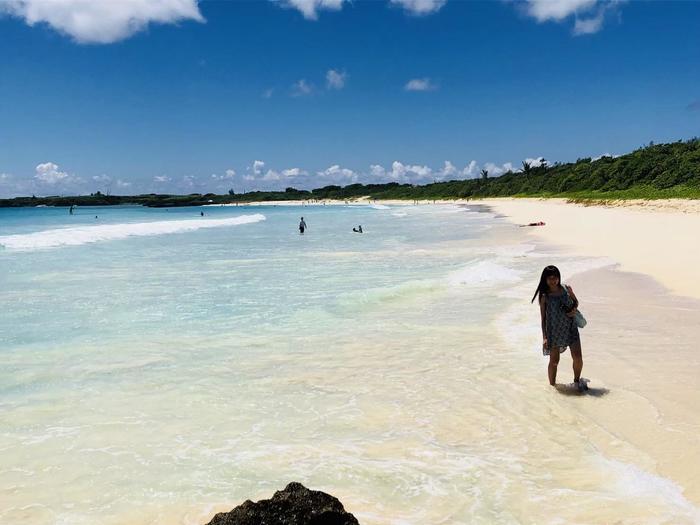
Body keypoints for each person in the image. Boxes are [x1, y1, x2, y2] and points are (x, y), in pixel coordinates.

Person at [531, 265, 587, 391]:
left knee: (578, 358)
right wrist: (544, 338)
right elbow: (543, 319)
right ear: (545, 279)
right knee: (554, 361)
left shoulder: (565, 289)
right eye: (550, 278)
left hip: (570, 328)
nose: (553, 280)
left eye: (555, 277)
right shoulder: (544, 296)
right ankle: (552, 388)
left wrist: (573, 310)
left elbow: (575, 302)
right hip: (554, 331)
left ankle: (576, 382)